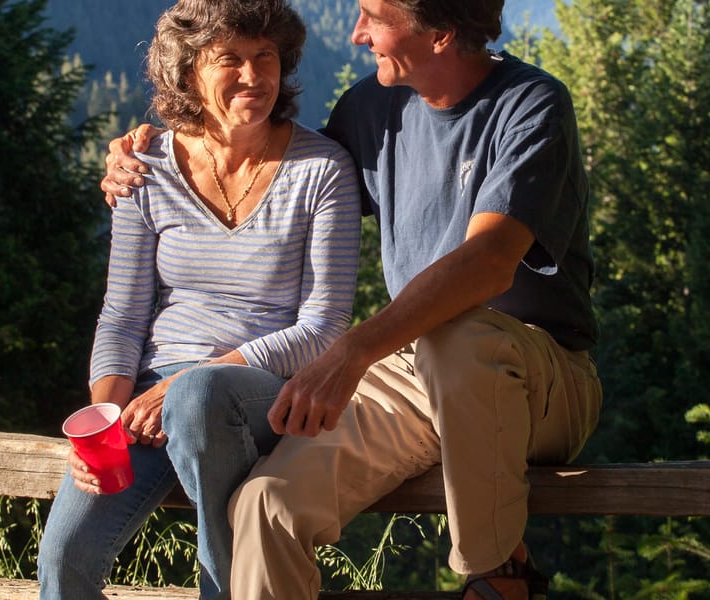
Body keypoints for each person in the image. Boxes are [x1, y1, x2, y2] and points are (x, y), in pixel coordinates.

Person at [101, 0, 603, 598]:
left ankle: (496, 574)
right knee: (267, 508)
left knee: (459, 337)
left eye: (373, 16)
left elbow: (489, 262)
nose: (358, 32)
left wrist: (351, 350)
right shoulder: (371, 108)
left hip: (539, 378)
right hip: (412, 372)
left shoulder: (531, 104)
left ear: (441, 33)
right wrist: (162, 149)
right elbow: (275, 167)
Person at [37, 1, 362, 599]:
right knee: (64, 561)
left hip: (260, 387)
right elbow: (124, 314)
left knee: (199, 394)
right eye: (229, 59)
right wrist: (104, 421)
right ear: (187, 73)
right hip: (150, 399)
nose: (253, 75)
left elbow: (322, 330)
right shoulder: (145, 167)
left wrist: (187, 383)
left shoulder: (322, 171)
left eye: (266, 56)